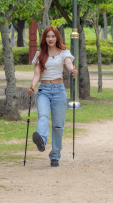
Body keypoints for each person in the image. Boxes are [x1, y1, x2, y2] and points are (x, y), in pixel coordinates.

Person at [28, 25, 77, 167]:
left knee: (58, 125)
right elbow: (37, 74)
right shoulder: (40, 54)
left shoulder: (64, 52)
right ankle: (41, 140)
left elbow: (68, 63)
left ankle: (55, 155)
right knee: (43, 116)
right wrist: (32, 87)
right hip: (44, 90)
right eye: (48, 36)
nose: (50, 39)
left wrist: (72, 70)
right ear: (44, 38)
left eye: (53, 36)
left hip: (59, 90)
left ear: (57, 38)